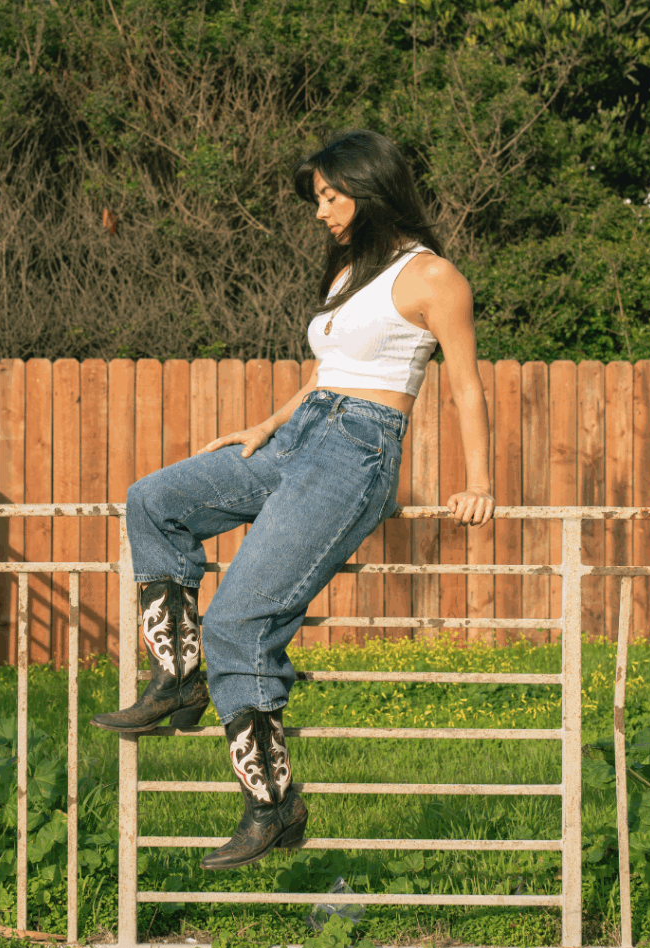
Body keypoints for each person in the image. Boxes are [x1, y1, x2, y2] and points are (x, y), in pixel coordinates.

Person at [90, 129, 496, 870]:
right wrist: (270, 422)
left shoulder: (434, 277)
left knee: (239, 621)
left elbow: (465, 383)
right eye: (319, 199)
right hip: (301, 437)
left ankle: (273, 808)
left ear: (370, 189)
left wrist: (479, 483)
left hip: (356, 455)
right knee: (153, 501)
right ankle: (179, 679)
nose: (321, 212)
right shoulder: (349, 271)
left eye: (332, 196)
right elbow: (328, 371)